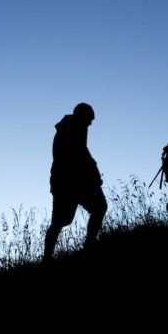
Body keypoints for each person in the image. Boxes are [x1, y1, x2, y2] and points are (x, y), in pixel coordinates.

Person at [44, 103, 107, 261]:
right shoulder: (71, 129)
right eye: (89, 120)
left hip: (72, 181)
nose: (91, 124)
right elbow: (78, 155)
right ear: (82, 116)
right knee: (60, 221)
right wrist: (93, 173)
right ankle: (47, 258)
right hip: (69, 182)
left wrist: (93, 172)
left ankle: (88, 246)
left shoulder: (72, 127)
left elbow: (82, 153)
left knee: (98, 208)